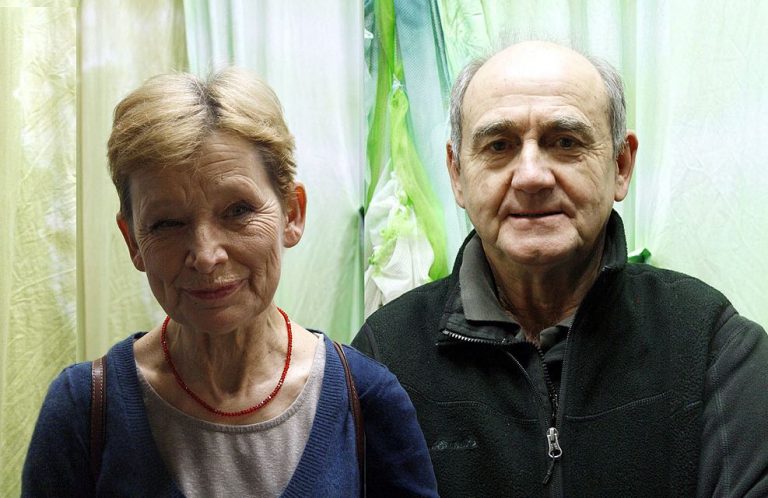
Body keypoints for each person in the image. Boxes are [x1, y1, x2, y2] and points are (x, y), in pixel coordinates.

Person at [353, 41, 768, 497]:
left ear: (621, 165)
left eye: (566, 142)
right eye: (499, 145)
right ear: (457, 174)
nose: (531, 176)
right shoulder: (385, 356)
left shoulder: (712, 346)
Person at [23, 68, 438, 497]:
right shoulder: (83, 409)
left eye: (238, 211)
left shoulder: (367, 399)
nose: (206, 256)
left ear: (292, 213)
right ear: (133, 242)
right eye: (167, 223)